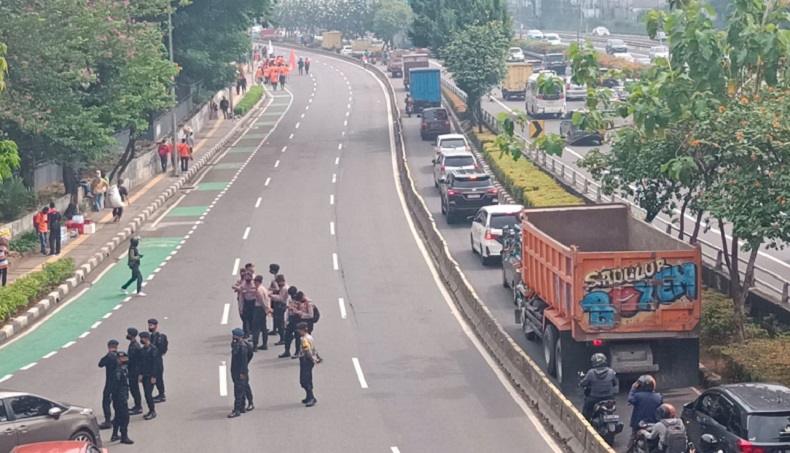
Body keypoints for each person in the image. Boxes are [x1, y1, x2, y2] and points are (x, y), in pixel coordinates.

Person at [627, 375, 663, 452]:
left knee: (633, 436)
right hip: (654, 421)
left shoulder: (637, 396)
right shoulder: (658, 396)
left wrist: (633, 389)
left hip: (639, 422)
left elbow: (630, 399)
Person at [580, 353, 619, 421]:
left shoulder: (591, 373)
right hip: (609, 397)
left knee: (585, 410)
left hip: (595, 397)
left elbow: (584, 383)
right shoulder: (611, 371)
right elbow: (615, 383)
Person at [228, 328, 254, 418]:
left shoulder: (243, 347)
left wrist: (243, 372)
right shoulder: (235, 344)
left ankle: (237, 409)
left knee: (238, 390)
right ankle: (243, 406)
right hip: (235, 370)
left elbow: (245, 360)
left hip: (240, 371)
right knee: (243, 387)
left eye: (235, 335)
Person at [110, 351, 134, 444]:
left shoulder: (123, 370)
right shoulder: (119, 372)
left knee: (117, 417)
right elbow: (116, 387)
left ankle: (115, 434)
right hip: (120, 399)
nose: (125, 360)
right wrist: (120, 398)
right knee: (125, 418)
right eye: (123, 358)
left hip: (120, 398)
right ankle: (124, 436)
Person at [137, 331, 161, 420]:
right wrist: (140, 374)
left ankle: (152, 411)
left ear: (146, 338)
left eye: (142, 338)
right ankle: (150, 410)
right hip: (145, 375)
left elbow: (156, 364)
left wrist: (154, 376)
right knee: (146, 394)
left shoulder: (153, 349)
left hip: (151, 375)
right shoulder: (143, 350)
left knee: (148, 393)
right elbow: (141, 363)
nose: (141, 340)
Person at [98, 339, 120, 430]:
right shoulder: (120, 356)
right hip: (119, 382)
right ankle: (117, 418)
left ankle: (107, 421)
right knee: (117, 401)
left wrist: (108, 354)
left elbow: (100, 364)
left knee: (106, 401)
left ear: (108, 347)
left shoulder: (109, 357)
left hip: (110, 382)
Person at [297, 322, 317, 407]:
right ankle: (308, 396)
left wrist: (312, 359)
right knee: (308, 378)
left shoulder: (304, 339)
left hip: (306, 360)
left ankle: (311, 397)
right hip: (309, 360)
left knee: (304, 380)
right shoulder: (310, 337)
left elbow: (307, 351)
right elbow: (314, 349)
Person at [148, 319, 168, 403]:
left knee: (158, 378)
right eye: (149, 325)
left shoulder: (159, 337)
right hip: (152, 360)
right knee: (156, 378)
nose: (149, 327)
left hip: (157, 360)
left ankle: (162, 394)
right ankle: (160, 394)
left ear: (156, 326)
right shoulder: (151, 336)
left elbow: (160, 349)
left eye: (151, 325)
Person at [278, 286, 301, 358]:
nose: (292, 296)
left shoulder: (300, 300)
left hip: (298, 319)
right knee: (287, 335)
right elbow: (289, 311)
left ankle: (297, 352)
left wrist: (293, 309)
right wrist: (287, 320)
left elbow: (300, 311)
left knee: (297, 336)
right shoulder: (291, 300)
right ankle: (287, 351)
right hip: (291, 319)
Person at [251, 275, 273, 351]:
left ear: (257, 282)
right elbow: (266, 300)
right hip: (263, 309)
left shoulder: (259, 290)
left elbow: (262, 301)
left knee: (256, 328)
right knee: (263, 327)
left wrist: (266, 309)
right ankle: (264, 343)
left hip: (259, 309)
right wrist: (268, 308)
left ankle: (255, 345)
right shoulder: (264, 288)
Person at [126, 328, 143, 415]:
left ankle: (138, 406)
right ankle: (137, 405)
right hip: (132, 370)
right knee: (133, 389)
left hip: (134, 371)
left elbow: (133, 360)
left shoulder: (135, 346)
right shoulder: (133, 345)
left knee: (134, 389)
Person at [268, 274, 289, 343]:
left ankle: (282, 338)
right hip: (281, 305)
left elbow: (281, 298)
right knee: (279, 321)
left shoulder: (284, 289)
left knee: (280, 322)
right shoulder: (284, 286)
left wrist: (271, 296)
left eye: (279, 282)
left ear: (282, 281)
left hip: (281, 306)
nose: (278, 284)